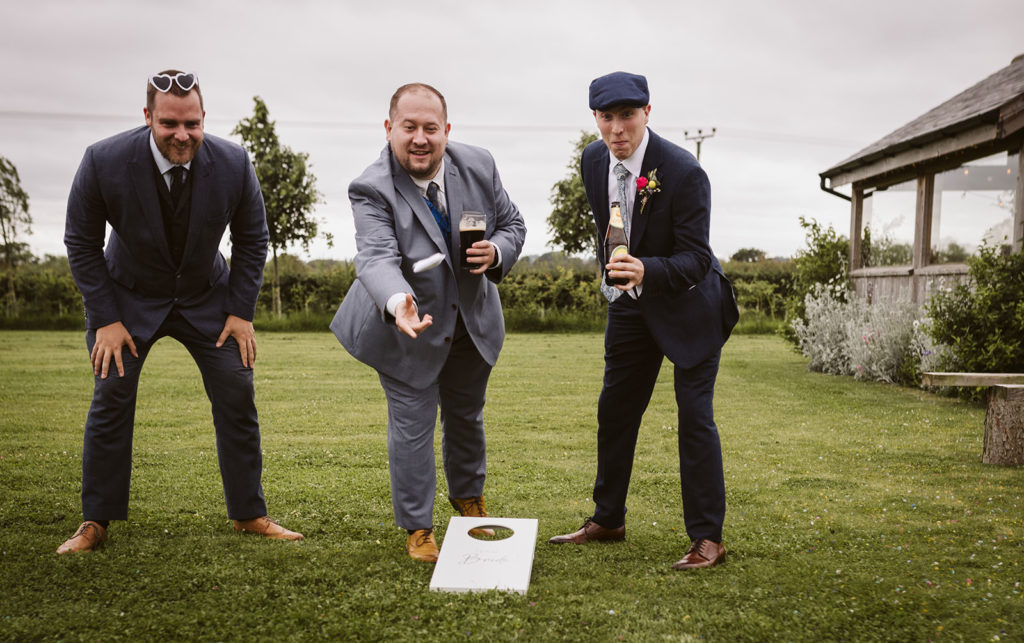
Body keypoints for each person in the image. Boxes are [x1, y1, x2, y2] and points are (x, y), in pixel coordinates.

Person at [59, 69, 302, 554]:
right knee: (111, 397)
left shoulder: (233, 162)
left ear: (204, 118)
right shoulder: (103, 160)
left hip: (207, 297)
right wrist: (106, 318)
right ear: (148, 116)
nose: (182, 135)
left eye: (192, 123)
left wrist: (239, 311)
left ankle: (249, 514)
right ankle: (95, 522)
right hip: (125, 299)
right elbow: (80, 243)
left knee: (237, 390)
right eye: (169, 123)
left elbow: (253, 239)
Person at [548, 72, 738, 569]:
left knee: (695, 419)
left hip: (692, 306)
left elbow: (697, 258)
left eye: (627, 116)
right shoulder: (592, 159)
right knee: (615, 411)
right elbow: (606, 225)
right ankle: (608, 518)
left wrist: (646, 269)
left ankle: (708, 539)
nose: (616, 130)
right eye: (606, 118)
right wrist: (616, 275)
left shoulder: (683, 171)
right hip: (630, 306)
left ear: (647, 114)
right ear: (595, 118)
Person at [330, 83, 526, 563]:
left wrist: (497, 250)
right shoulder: (370, 186)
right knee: (412, 427)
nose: (420, 138)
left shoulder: (479, 164)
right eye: (409, 127)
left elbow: (514, 224)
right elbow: (376, 258)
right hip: (407, 325)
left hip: (471, 324)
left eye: (430, 128)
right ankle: (419, 529)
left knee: (466, 417)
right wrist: (398, 303)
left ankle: (469, 503)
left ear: (446, 131)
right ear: (389, 128)